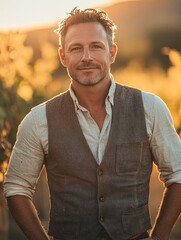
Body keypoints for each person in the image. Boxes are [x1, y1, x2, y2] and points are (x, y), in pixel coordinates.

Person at [3, 8, 181, 240]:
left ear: (112, 52)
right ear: (63, 56)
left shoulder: (150, 108)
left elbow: (177, 175)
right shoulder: (38, 120)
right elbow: (16, 188)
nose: (87, 56)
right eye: (76, 48)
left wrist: (160, 235)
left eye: (96, 46)